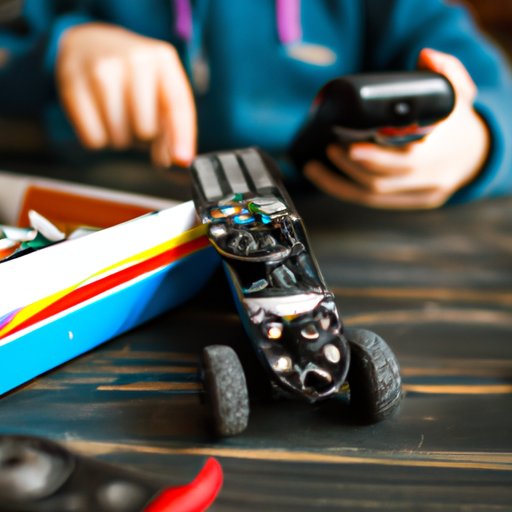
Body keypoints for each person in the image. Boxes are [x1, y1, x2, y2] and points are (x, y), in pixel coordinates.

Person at [0, 0, 511, 209]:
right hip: (108, 215)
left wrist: (476, 144)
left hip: (337, 228)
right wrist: (59, 50)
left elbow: (495, 93)